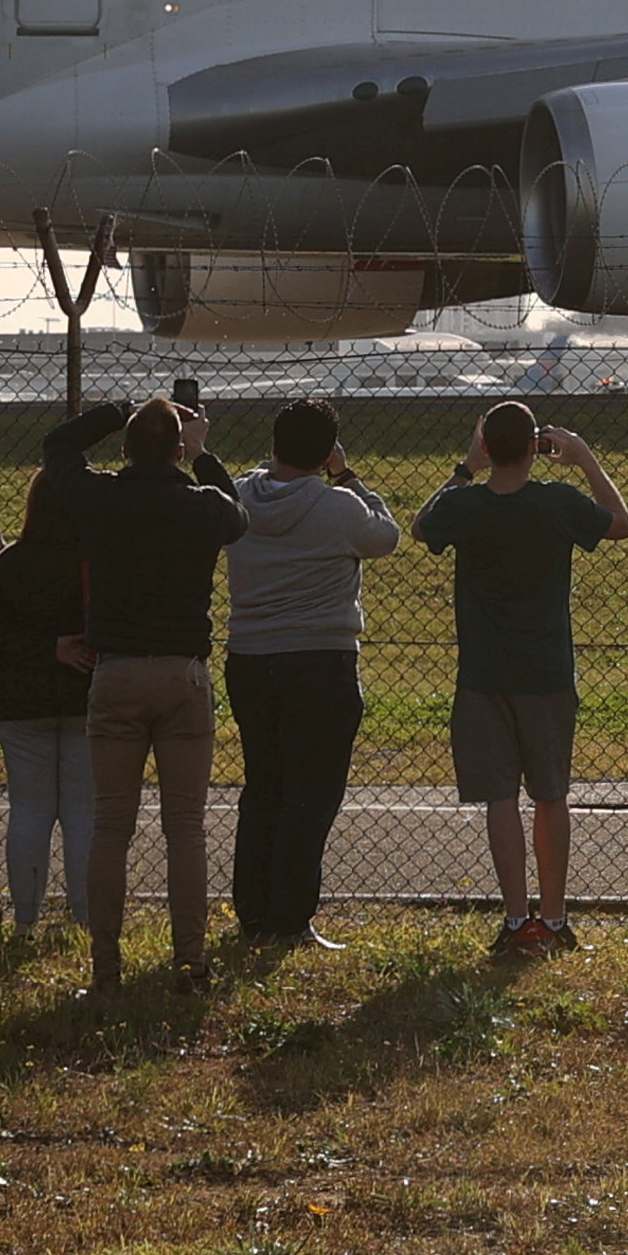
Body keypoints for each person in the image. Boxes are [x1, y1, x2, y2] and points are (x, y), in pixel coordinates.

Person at [420, 404, 628, 956]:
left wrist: (465, 468)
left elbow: (423, 526)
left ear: (487, 447)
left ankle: (516, 918)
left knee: (500, 799)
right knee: (551, 796)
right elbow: (621, 524)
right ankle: (555, 918)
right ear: (536, 448)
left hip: (485, 673)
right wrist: (584, 460)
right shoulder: (557, 503)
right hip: (547, 671)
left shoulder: (466, 505)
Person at [59, 395, 246, 986]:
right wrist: (202, 451)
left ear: (124, 449)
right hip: (182, 673)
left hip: (114, 671)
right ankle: (189, 958)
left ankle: (105, 965)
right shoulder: (200, 504)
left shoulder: (102, 498)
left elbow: (57, 449)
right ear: (175, 450)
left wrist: (115, 409)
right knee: (184, 826)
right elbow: (238, 516)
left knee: (111, 825)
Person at [225, 401, 400, 958]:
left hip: (250, 656)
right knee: (311, 795)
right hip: (320, 660)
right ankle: (290, 917)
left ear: (274, 444)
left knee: (263, 788)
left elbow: (248, 480)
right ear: (327, 453)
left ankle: (251, 909)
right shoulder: (338, 506)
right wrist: (347, 475)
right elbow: (387, 536)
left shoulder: (238, 497)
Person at [0, 402, 120, 941]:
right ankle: (85, 919)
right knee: (83, 812)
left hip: (20, 702)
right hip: (85, 698)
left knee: (30, 810)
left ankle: (26, 920)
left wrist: (41, 649)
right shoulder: (99, 560)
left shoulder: (9, 563)